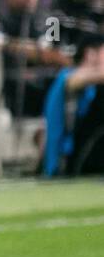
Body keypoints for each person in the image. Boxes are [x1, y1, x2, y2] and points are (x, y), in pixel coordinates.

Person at [42, 36, 104, 177]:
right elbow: (76, 80)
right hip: (65, 160)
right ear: (90, 54)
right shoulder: (67, 77)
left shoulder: (93, 86)